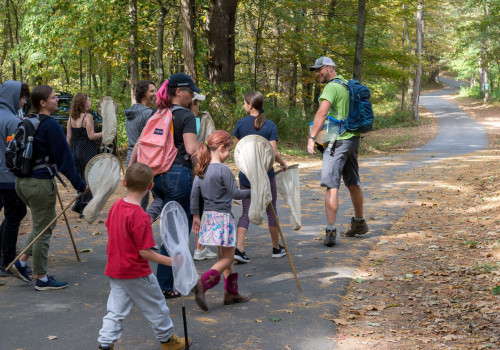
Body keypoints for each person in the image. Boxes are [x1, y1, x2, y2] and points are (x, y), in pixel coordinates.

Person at [97, 163, 189, 350]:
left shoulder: (116, 206)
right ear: (150, 187)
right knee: (157, 306)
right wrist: (172, 262)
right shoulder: (140, 216)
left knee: (115, 310)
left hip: (116, 270)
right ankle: (167, 340)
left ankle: (105, 343)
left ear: (124, 182)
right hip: (136, 273)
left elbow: (110, 227)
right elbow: (144, 252)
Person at [10, 85, 89, 290]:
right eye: (53, 97)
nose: (57, 100)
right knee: (44, 229)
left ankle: (21, 261)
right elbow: (65, 160)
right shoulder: (51, 126)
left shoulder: (28, 121)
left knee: (43, 224)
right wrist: (80, 186)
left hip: (22, 182)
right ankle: (42, 278)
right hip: (40, 184)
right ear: (42, 103)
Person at [130, 73, 199, 299]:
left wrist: (131, 171)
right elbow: (191, 149)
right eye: (191, 91)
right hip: (178, 174)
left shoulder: (158, 113)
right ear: (179, 91)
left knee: (169, 229)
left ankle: (165, 281)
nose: (193, 95)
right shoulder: (186, 115)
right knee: (178, 233)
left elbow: (140, 144)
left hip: (156, 175)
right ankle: (167, 285)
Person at [307, 56, 369, 246]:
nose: (318, 73)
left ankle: (331, 229)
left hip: (337, 140)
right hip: (352, 139)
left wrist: (312, 137)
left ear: (329, 67)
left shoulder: (331, 87)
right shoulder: (345, 84)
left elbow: (322, 112)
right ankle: (359, 222)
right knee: (353, 181)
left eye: (320, 69)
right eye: (316, 70)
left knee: (331, 184)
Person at [190, 131, 251, 311]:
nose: (228, 155)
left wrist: (195, 217)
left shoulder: (202, 168)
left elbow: (194, 196)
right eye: (228, 151)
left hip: (208, 217)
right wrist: (255, 190)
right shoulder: (223, 170)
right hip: (223, 218)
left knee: (226, 256)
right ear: (222, 148)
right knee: (229, 257)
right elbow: (236, 194)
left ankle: (231, 292)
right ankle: (203, 283)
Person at [233, 91, 288, 263]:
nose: (243, 106)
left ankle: (239, 249)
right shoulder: (270, 125)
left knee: (245, 212)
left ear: (250, 106)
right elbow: (273, 152)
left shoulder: (241, 124)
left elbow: (238, 150)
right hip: (266, 175)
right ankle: (276, 248)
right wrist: (283, 163)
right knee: (272, 211)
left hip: (246, 175)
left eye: (244, 103)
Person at [0, 81, 29, 276]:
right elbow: (17, 151)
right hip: (8, 177)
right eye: (23, 97)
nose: (24, 101)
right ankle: (7, 260)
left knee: (15, 213)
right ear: (14, 96)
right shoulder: (12, 121)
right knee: (15, 214)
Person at [189, 92, 217, 261]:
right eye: (198, 102)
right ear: (193, 103)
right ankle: (200, 247)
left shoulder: (177, 117)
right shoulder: (192, 120)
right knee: (200, 206)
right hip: (197, 168)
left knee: (194, 207)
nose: (200, 106)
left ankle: (198, 246)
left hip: (191, 167)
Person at [67, 93, 102, 217]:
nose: (90, 103)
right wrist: (106, 132)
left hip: (75, 150)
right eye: (88, 100)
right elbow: (91, 136)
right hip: (87, 149)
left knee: (81, 177)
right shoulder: (88, 117)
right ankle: (85, 209)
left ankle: (79, 204)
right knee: (90, 178)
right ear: (83, 102)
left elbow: (69, 138)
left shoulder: (71, 117)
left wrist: (68, 153)